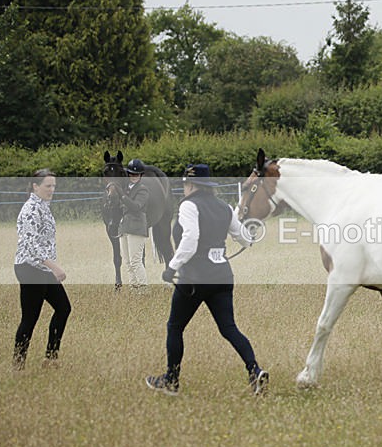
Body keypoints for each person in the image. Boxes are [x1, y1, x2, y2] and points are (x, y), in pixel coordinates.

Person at [145, 163, 269, 396]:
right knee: (229, 328)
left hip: (195, 279)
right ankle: (255, 370)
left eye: (185, 184)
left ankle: (171, 380)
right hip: (222, 276)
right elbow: (244, 239)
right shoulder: (224, 207)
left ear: (191, 185)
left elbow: (191, 240)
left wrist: (171, 267)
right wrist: (251, 231)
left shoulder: (189, 205)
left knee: (175, 327)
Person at [13, 169, 72, 370]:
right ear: (35, 186)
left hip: (42, 269)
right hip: (30, 268)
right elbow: (31, 245)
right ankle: (18, 365)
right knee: (30, 318)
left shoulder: (43, 207)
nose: (52, 189)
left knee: (63, 308)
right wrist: (54, 266)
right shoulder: (30, 209)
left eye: (54, 185)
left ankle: (50, 358)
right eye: (48, 186)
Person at [115, 158, 150, 290]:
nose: (134, 176)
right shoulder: (126, 188)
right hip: (124, 226)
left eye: (137, 174)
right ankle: (133, 288)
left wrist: (122, 196)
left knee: (136, 261)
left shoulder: (143, 190)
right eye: (132, 174)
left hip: (136, 226)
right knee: (128, 262)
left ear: (140, 175)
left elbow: (136, 206)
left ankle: (143, 288)